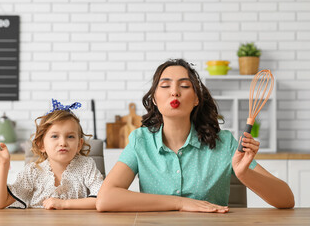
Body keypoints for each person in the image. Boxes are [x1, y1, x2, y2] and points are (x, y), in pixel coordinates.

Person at [97, 59, 294, 213]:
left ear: (196, 99)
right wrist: (180, 203)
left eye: (184, 86)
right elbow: (105, 199)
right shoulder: (141, 141)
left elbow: (286, 200)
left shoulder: (224, 143)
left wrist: (244, 173)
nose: (174, 92)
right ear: (155, 99)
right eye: (165, 86)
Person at [0, 99, 103, 209]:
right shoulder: (33, 172)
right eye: (54, 136)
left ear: (79, 145)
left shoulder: (86, 166)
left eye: (70, 136)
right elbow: (0, 203)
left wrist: (64, 204)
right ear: (41, 145)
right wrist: (4, 164)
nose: (62, 143)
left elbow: (102, 199)